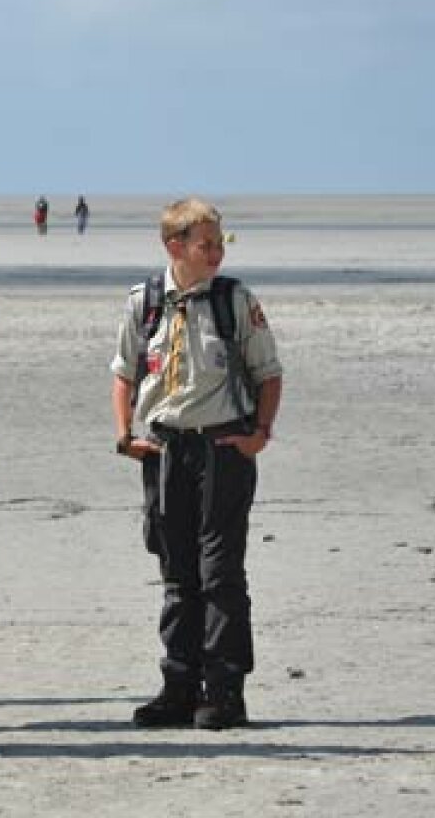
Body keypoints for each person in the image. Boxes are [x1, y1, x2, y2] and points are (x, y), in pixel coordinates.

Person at [111, 198, 283, 731]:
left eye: (219, 243)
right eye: (205, 244)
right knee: (176, 572)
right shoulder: (145, 302)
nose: (215, 253)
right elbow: (123, 372)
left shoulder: (235, 300)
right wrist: (125, 436)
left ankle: (225, 690)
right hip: (165, 451)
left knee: (221, 572)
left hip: (223, 450)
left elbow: (269, 373)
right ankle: (178, 686)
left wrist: (259, 434)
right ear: (174, 247)